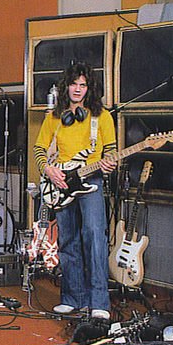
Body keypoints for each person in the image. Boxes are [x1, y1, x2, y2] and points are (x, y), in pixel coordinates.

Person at [33, 61, 117, 320]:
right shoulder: (53, 118)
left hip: (91, 182)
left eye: (83, 85)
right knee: (68, 240)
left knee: (95, 237)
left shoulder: (102, 117)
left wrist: (109, 162)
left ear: (89, 88)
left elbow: (111, 150)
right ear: (66, 87)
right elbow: (39, 149)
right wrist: (49, 170)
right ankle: (72, 298)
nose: (78, 89)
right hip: (62, 184)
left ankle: (99, 302)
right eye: (74, 84)